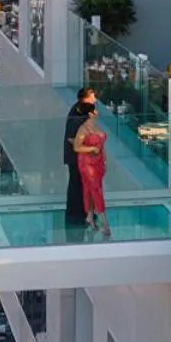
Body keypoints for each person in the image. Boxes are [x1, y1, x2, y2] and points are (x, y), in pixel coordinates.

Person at [73, 104, 110, 237]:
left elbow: (102, 146)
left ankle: (90, 216)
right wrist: (92, 149)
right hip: (87, 163)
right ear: (90, 113)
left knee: (91, 189)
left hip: (98, 163)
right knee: (96, 190)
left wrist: (104, 161)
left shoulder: (96, 126)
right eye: (95, 110)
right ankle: (105, 222)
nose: (97, 111)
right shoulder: (83, 129)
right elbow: (77, 147)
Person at [63, 89, 96, 226]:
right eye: (92, 96)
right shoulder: (76, 113)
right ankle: (76, 213)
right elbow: (72, 138)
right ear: (85, 98)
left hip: (80, 157)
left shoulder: (83, 112)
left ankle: (83, 212)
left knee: (81, 184)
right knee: (76, 184)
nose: (95, 99)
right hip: (76, 157)